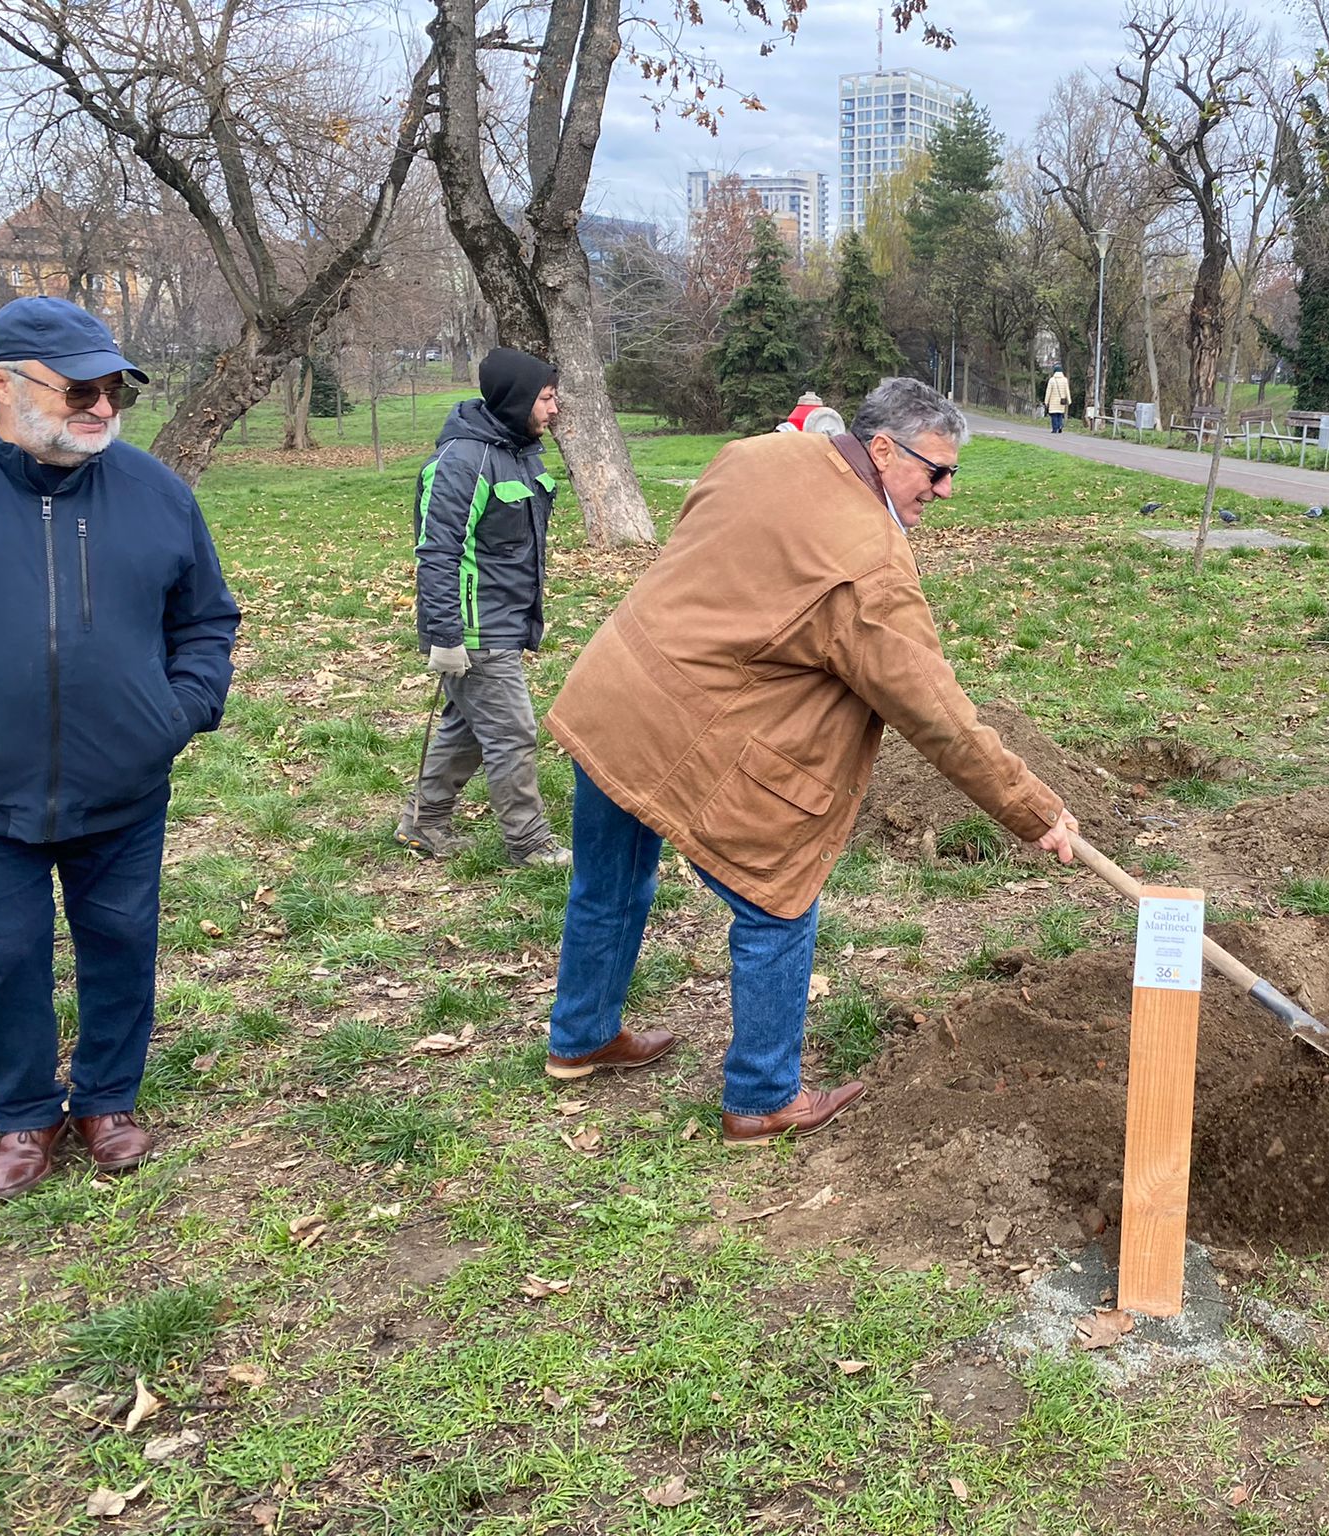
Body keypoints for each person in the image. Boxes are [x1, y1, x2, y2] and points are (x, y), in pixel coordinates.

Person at [540, 378, 1078, 1143]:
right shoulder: (869, 563)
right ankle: (762, 1097)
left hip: (616, 692)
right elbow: (938, 716)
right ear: (884, 450)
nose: (947, 491)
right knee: (778, 904)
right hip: (686, 728)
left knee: (611, 882)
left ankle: (582, 1036)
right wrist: (1033, 811)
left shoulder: (755, 455)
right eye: (937, 471)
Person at [0, 297, 240, 1200]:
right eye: (81, 388)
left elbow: (205, 619)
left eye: (117, 389)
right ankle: (24, 1115)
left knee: (121, 940)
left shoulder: (156, 491)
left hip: (122, 786)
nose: (103, 407)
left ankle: (108, 1100)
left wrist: (178, 712)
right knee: (1, 956)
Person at [397, 347, 570, 869]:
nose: (554, 408)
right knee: (513, 732)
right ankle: (530, 843)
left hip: (505, 620)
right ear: (517, 400)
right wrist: (446, 636)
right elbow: (437, 553)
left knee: (469, 728)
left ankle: (423, 824)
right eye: (546, 397)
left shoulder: (521, 452)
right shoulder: (460, 463)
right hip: (473, 629)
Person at [1044, 367, 1071, 433]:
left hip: (1053, 401)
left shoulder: (1052, 380)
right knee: (1060, 414)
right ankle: (1060, 426)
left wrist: (1046, 401)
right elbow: (1067, 390)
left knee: (1054, 415)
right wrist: (1069, 400)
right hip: (1062, 401)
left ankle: (1055, 428)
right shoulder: (1065, 380)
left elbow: (1048, 392)